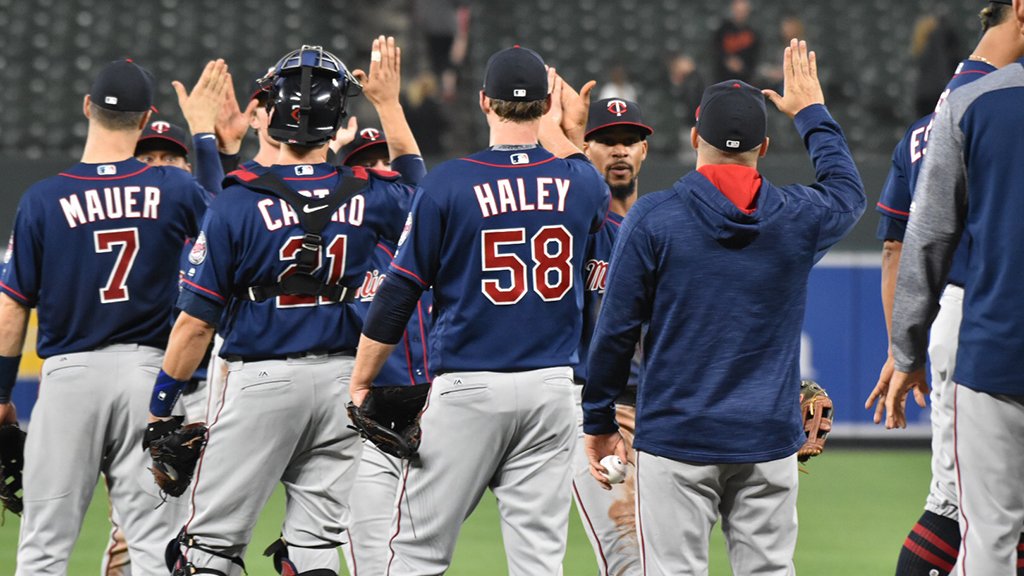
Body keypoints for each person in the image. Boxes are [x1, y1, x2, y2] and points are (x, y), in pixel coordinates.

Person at [584, 39, 864, 575]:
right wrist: (812, 114)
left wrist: (599, 419)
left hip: (675, 438)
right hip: (765, 436)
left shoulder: (653, 219)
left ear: (694, 138)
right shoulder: (797, 216)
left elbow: (615, 334)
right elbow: (850, 192)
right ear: (763, 145)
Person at [152, 44, 412, 576]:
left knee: (205, 551)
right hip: (345, 384)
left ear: (270, 114)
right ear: (336, 120)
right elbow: (424, 195)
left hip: (263, 382)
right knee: (315, 548)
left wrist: (162, 405)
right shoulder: (371, 192)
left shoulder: (237, 202)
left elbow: (196, 323)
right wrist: (389, 106)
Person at [348, 46, 609, 575]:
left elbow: (398, 293)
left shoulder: (448, 183)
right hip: (552, 390)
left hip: (469, 388)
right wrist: (558, 124)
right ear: (544, 105)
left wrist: (360, 380)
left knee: (416, 552)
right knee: (538, 561)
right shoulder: (584, 185)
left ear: (483, 101)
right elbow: (579, 166)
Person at [0, 57, 229, 575]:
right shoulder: (175, 189)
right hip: (148, 380)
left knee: (42, 548)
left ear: (87, 107)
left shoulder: (43, 198)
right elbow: (224, 230)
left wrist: (0, 395)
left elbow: (12, 308)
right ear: (147, 119)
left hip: (68, 379)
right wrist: (205, 136)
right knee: (152, 547)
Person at [865, 2, 1024, 573]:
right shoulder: (981, 104)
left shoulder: (950, 114)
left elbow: (902, 247)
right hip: (978, 316)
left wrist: (900, 348)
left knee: (969, 512)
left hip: (973, 323)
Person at [99, 115, 226, 576]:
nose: (159, 166)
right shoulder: (134, 235)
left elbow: (221, 208)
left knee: (204, 527)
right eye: (147, 158)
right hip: (145, 387)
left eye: (169, 157)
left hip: (203, 392)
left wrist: (212, 145)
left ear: (186, 167)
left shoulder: (205, 229)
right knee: (135, 528)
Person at [571, 96, 652, 576]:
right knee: (628, 556)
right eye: (606, 141)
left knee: (663, 556)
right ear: (588, 149)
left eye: (630, 141)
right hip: (594, 409)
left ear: (645, 151)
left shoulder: (663, 226)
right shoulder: (577, 224)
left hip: (659, 411)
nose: (619, 151)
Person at [711, 0, 760, 83]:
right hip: (723, 77)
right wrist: (727, 60)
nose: (740, 14)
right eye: (738, 10)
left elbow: (754, 57)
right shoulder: (722, 30)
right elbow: (715, 50)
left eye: (743, 11)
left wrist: (742, 66)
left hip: (744, 79)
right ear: (733, 10)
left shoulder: (753, 33)